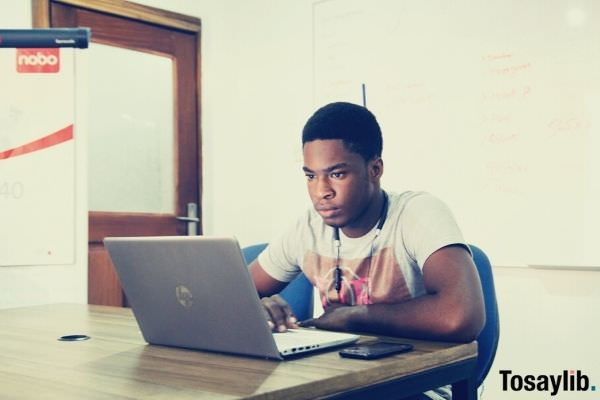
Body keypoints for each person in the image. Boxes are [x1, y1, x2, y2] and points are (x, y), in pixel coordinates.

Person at [249, 102, 485, 345]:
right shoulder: (309, 227)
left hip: (417, 377)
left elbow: (461, 317)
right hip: (339, 374)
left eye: (337, 174)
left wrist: (356, 317)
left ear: (374, 169)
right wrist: (257, 306)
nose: (321, 192)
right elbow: (227, 296)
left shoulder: (417, 213)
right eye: (311, 176)